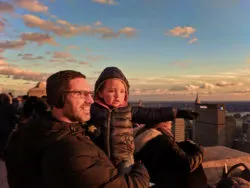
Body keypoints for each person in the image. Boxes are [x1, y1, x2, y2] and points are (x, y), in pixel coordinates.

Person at [4, 70, 149, 188]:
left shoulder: (28, 130)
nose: (90, 101)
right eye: (80, 93)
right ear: (59, 98)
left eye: (89, 94)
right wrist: (141, 168)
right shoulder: (71, 152)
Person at [87, 66, 199, 174]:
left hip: (124, 161)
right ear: (100, 92)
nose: (118, 96)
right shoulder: (91, 111)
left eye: (122, 91)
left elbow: (152, 114)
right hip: (99, 159)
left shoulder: (129, 110)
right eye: (111, 91)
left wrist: (177, 113)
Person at [134, 121, 207, 188]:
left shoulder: (141, 135)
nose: (171, 123)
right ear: (162, 123)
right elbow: (187, 164)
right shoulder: (163, 140)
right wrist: (200, 151)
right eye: (169, 121)